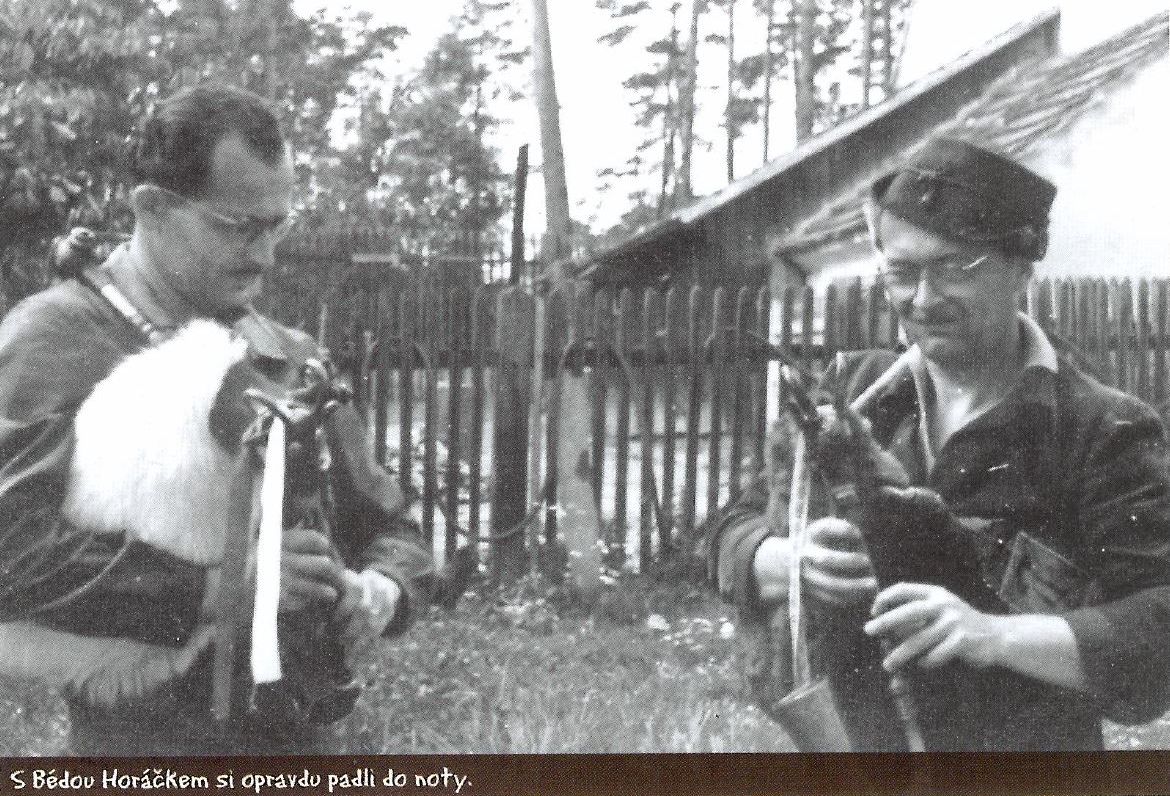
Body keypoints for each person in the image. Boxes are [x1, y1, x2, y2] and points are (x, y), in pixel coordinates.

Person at [0, 84, 435, 754]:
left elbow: (390, 526)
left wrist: (383, 587)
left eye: (278, 226)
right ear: (152, 209)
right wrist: (223, 588)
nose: (266, 255)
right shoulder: (56, 339)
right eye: (239, 227)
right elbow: (13, 554)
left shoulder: (289, 355)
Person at [709, 136, 1170, 751]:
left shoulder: (1100, 428)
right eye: (902, 273)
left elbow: (1157, 629)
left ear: (1020, 269)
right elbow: (728, 531)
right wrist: (787, 560)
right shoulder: (849, 394)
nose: (924, 300)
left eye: (954, 268)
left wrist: (993, 636)